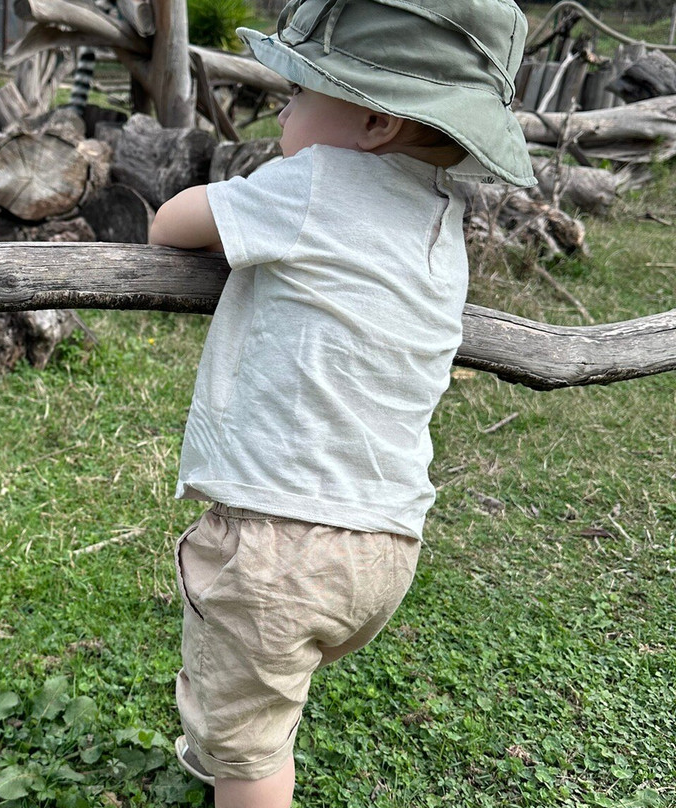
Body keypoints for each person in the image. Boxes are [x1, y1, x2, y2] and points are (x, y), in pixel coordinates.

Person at [147, 1, 536, 806]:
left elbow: (170, 225)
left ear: (370, 123)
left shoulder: (315, 183)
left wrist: (234, 192)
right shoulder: (442, 215)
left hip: (277, 540)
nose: (282, 110)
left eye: (298, 93)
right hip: (387, 545)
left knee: (246, 751)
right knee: (274, 682)